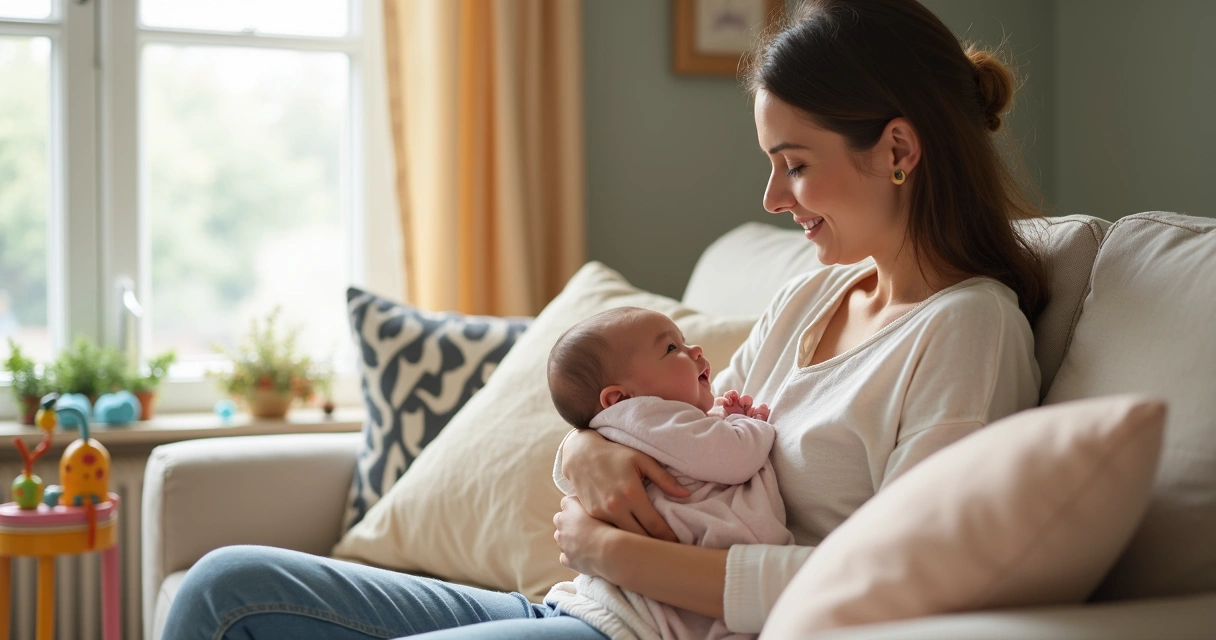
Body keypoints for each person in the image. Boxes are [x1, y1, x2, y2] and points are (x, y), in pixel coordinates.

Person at [160, 0, 1046, 637]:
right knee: (224, 587)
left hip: (651, 624)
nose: (773, 197)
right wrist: (584, 447)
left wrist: (612, 551)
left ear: (898, 148)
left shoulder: (967, 332)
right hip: (584, 602)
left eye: (796, 164)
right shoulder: (814, 294)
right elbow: (677, 428)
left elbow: (895, 587)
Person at [544, 306, 791, 640]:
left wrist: (719, 416)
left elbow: (691, 440)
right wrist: (750, 425)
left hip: (610, 610)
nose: (696, 350)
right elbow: (735, 457)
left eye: (683, 341)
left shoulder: (637, 424)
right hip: (635, 621)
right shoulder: (653, 416)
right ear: (620, 398)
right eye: (672, 348)